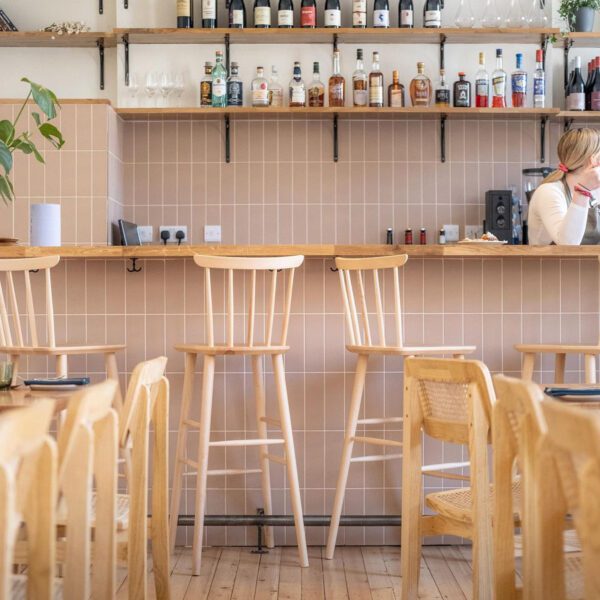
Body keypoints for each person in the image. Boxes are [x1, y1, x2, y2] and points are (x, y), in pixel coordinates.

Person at [528, 127, 600, 245]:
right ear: (591, 160)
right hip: (549, 264)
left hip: (586, 264)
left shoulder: (595, 191)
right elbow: (568, 244)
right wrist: (583, 189)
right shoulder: (549, 192)